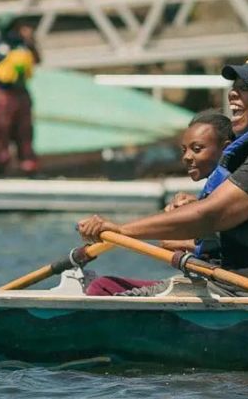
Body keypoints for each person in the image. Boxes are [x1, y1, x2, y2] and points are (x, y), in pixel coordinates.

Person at [77, 54, 248, 296]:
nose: (233, 94)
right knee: (106, 286)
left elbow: (213, 215)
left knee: (105, 291)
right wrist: (194, 214)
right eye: (235, 87)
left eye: (247, 87)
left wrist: (123, 230)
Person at [84, 110, 235, 297]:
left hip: (219, 287)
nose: (186, 157)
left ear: (225, 149)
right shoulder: (216, 188)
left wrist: (187, 244)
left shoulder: (233, 190)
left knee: (102, 288)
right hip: (204, 281)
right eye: (184, 150)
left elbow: (228, 243)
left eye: (197, 149)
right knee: (104, 285)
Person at [0, 14, 40, 177]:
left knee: (24, 131)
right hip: (0, 92)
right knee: (2, 130)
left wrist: (31, 42)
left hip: (19, 93)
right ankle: (1, 166)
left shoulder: (23, 45)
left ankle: (27, 165)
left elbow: (38, 60)